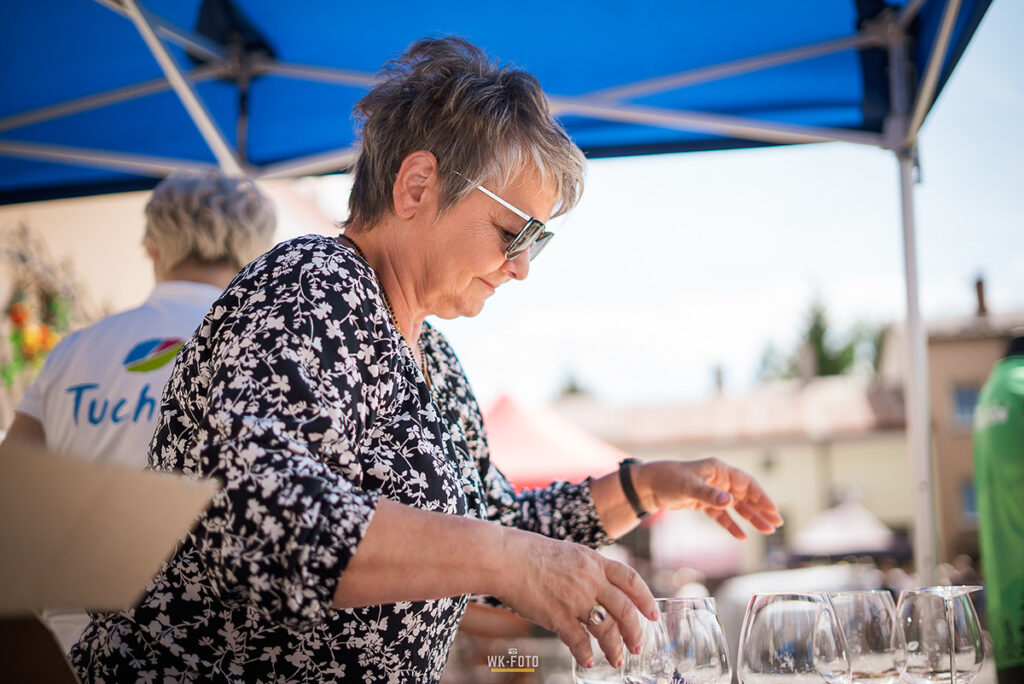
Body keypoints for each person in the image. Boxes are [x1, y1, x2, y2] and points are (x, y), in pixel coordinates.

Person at [70, 37, 783, 682]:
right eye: (514, 232)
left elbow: (497, 525)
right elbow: (256, 516)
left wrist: (644, 487)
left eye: (538, 243)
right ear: (417, 186)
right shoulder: (313, 286)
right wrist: (507, 557)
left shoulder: (432, 355)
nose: (522, 267)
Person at [2, 169, 276, 652]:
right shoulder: (266, 352)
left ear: (153, 249)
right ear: (257, 254)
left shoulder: (74, 351)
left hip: (73, 644)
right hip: (207, 648)